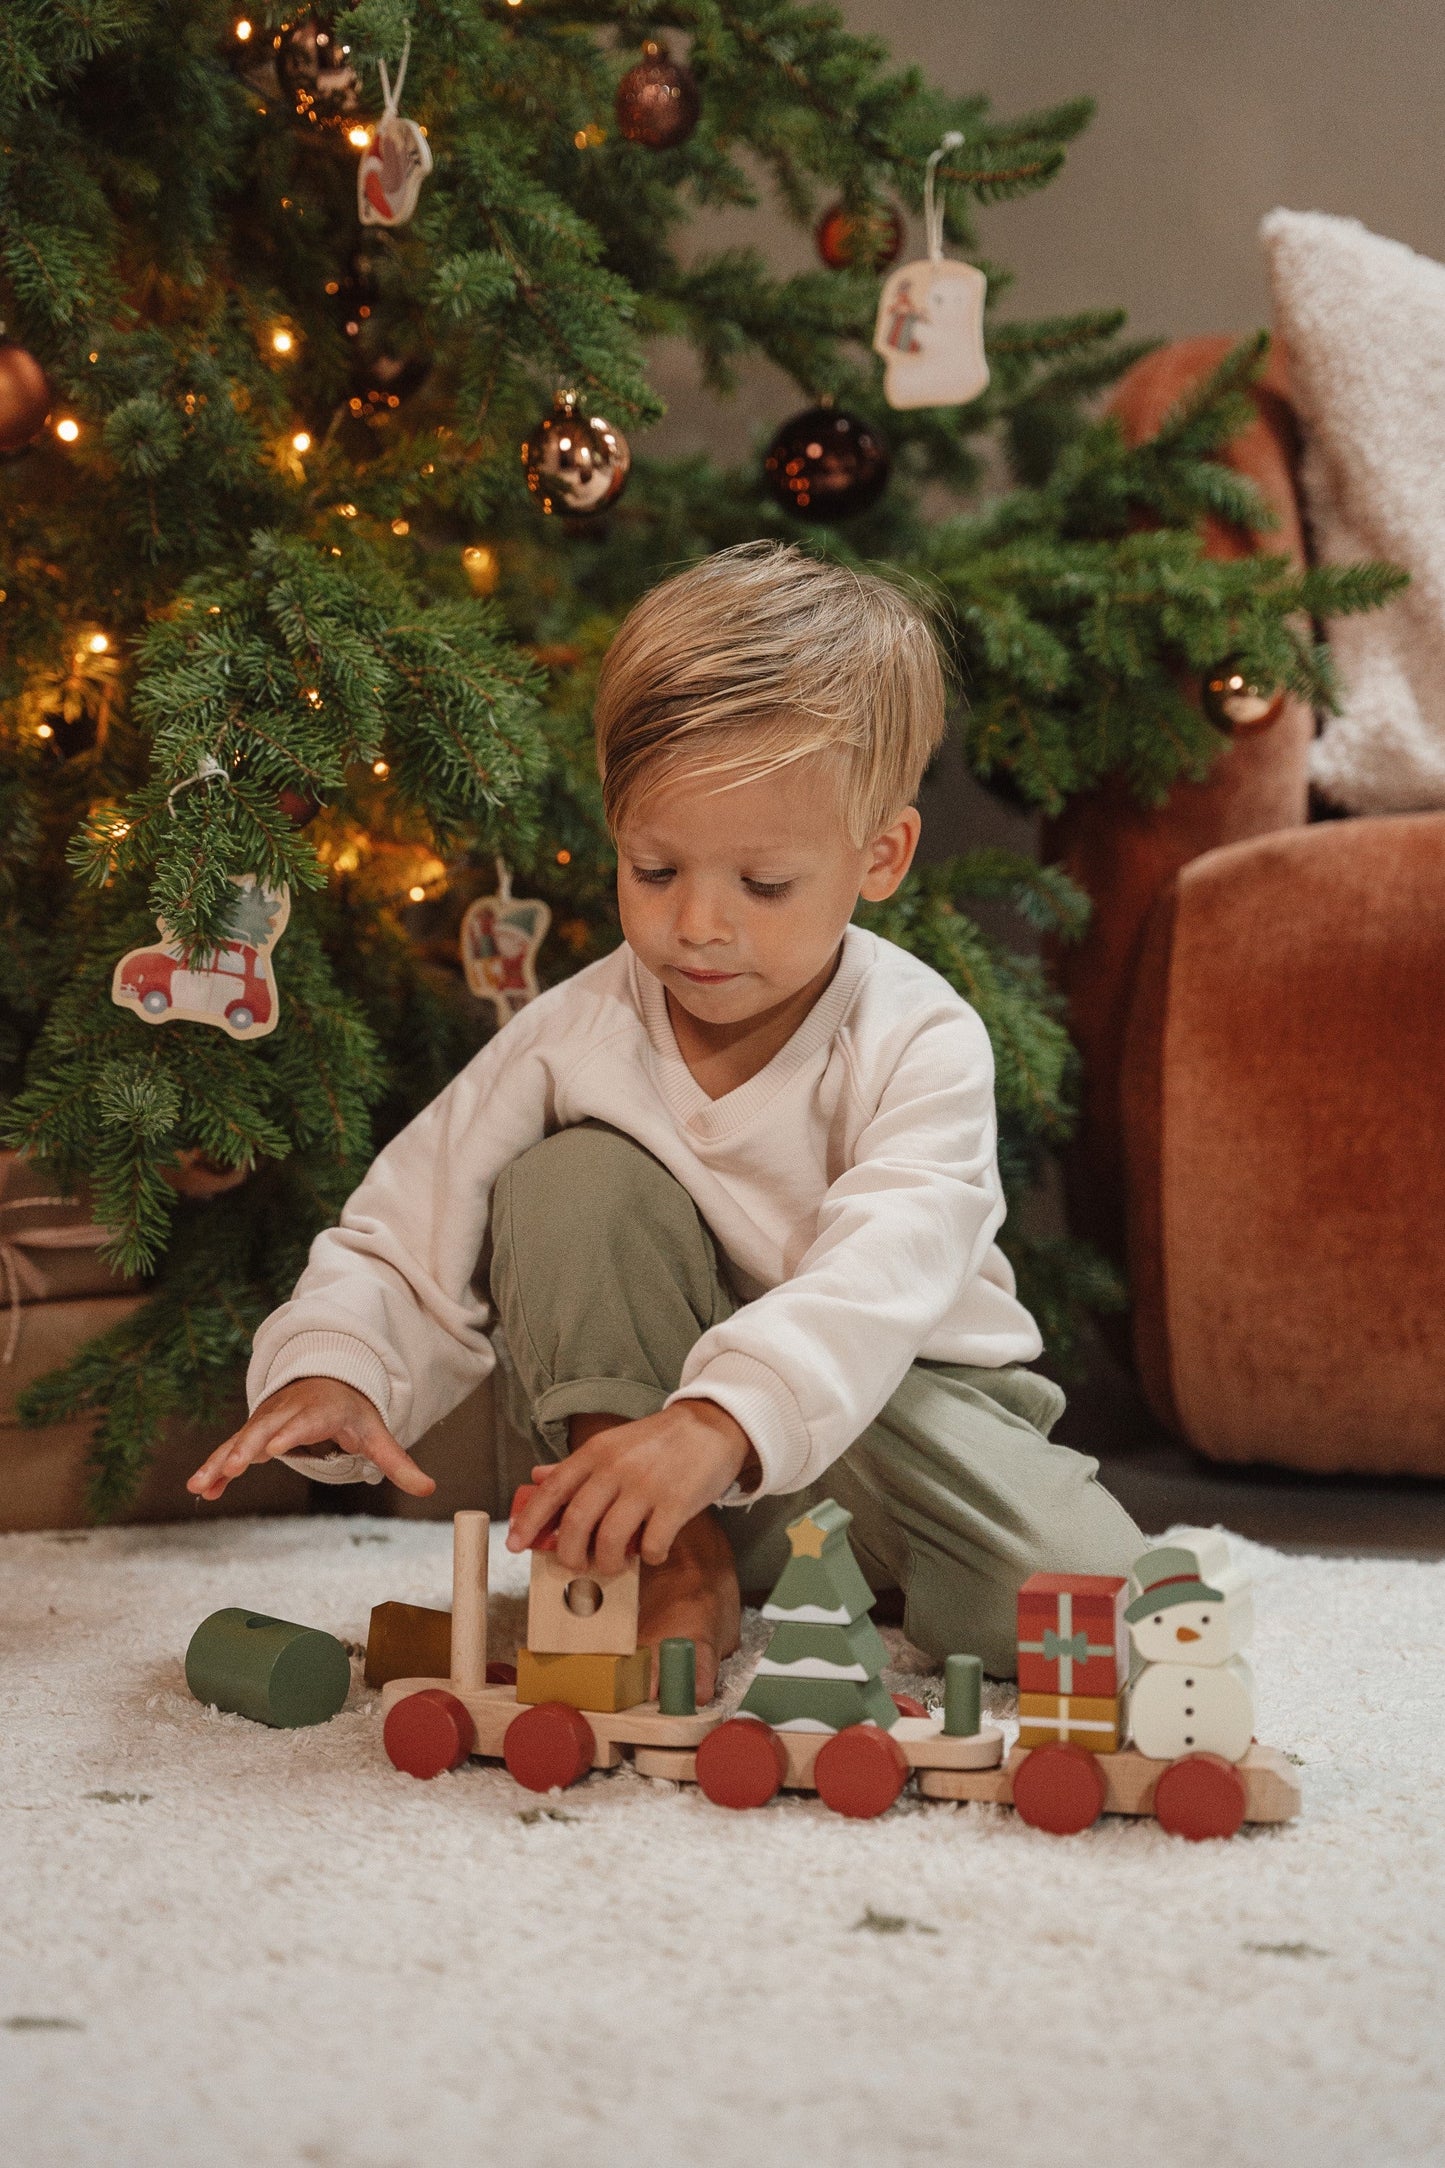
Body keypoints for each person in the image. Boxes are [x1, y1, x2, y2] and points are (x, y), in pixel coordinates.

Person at [188, 543, 1141, 1698]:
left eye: (762, 885)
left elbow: (884, 1267)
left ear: (877, 857)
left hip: (893, 1412)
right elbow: (409, 1218)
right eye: (653, 868)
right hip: (648, 1434)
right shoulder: (574, 1030)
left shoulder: (916, 1035)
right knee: (565, 1180)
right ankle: (672, 1558)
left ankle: (848, 1572)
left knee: (1102, 1614)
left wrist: (721, 1421)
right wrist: (338, 1366)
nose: (696, 924)